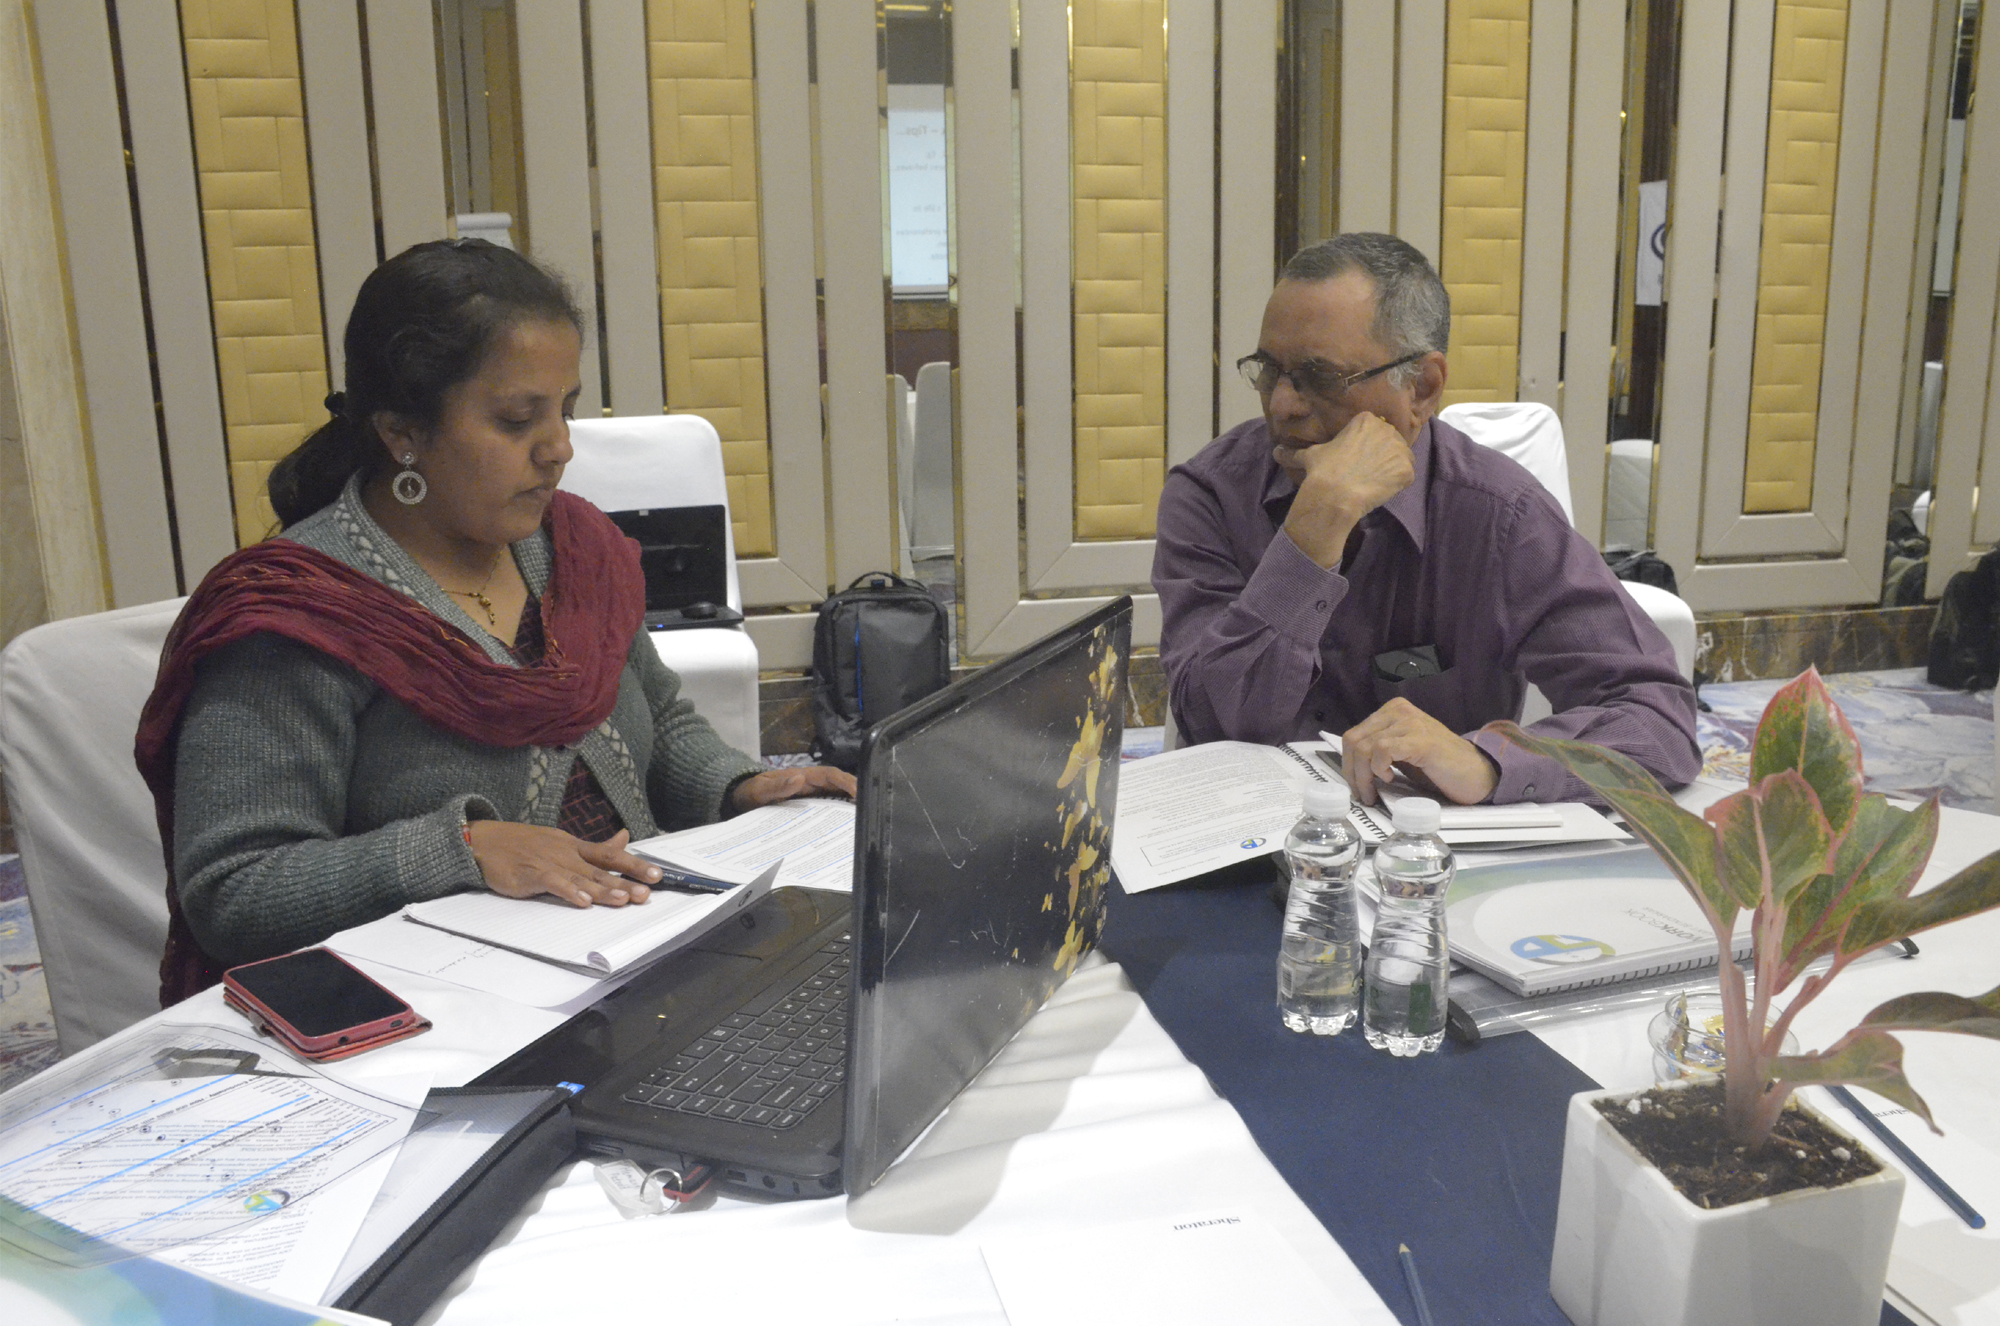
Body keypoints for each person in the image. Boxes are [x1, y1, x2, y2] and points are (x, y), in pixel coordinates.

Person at [136, 239, 852, 1003]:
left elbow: (660, 721)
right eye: (517, 420)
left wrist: (742, 786)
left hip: (643, 959)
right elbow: (237, 890)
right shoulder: (299, 617)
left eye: (566, 410)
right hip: (444, 1011)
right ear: (402, 433)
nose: (560, 449)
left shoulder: (575, 551)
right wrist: (464, 850)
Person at [1152, 233, 1699, 806]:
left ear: (1422, 387)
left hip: (1429, 847)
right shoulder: (1212, 496)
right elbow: (1212, 723)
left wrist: (1489, 762)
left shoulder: (1497, 515)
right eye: (1269, 370)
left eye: (1320, 378)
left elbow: (1658, 721)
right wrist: (1313, 532)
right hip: (1247, 835)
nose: (1282, 404)